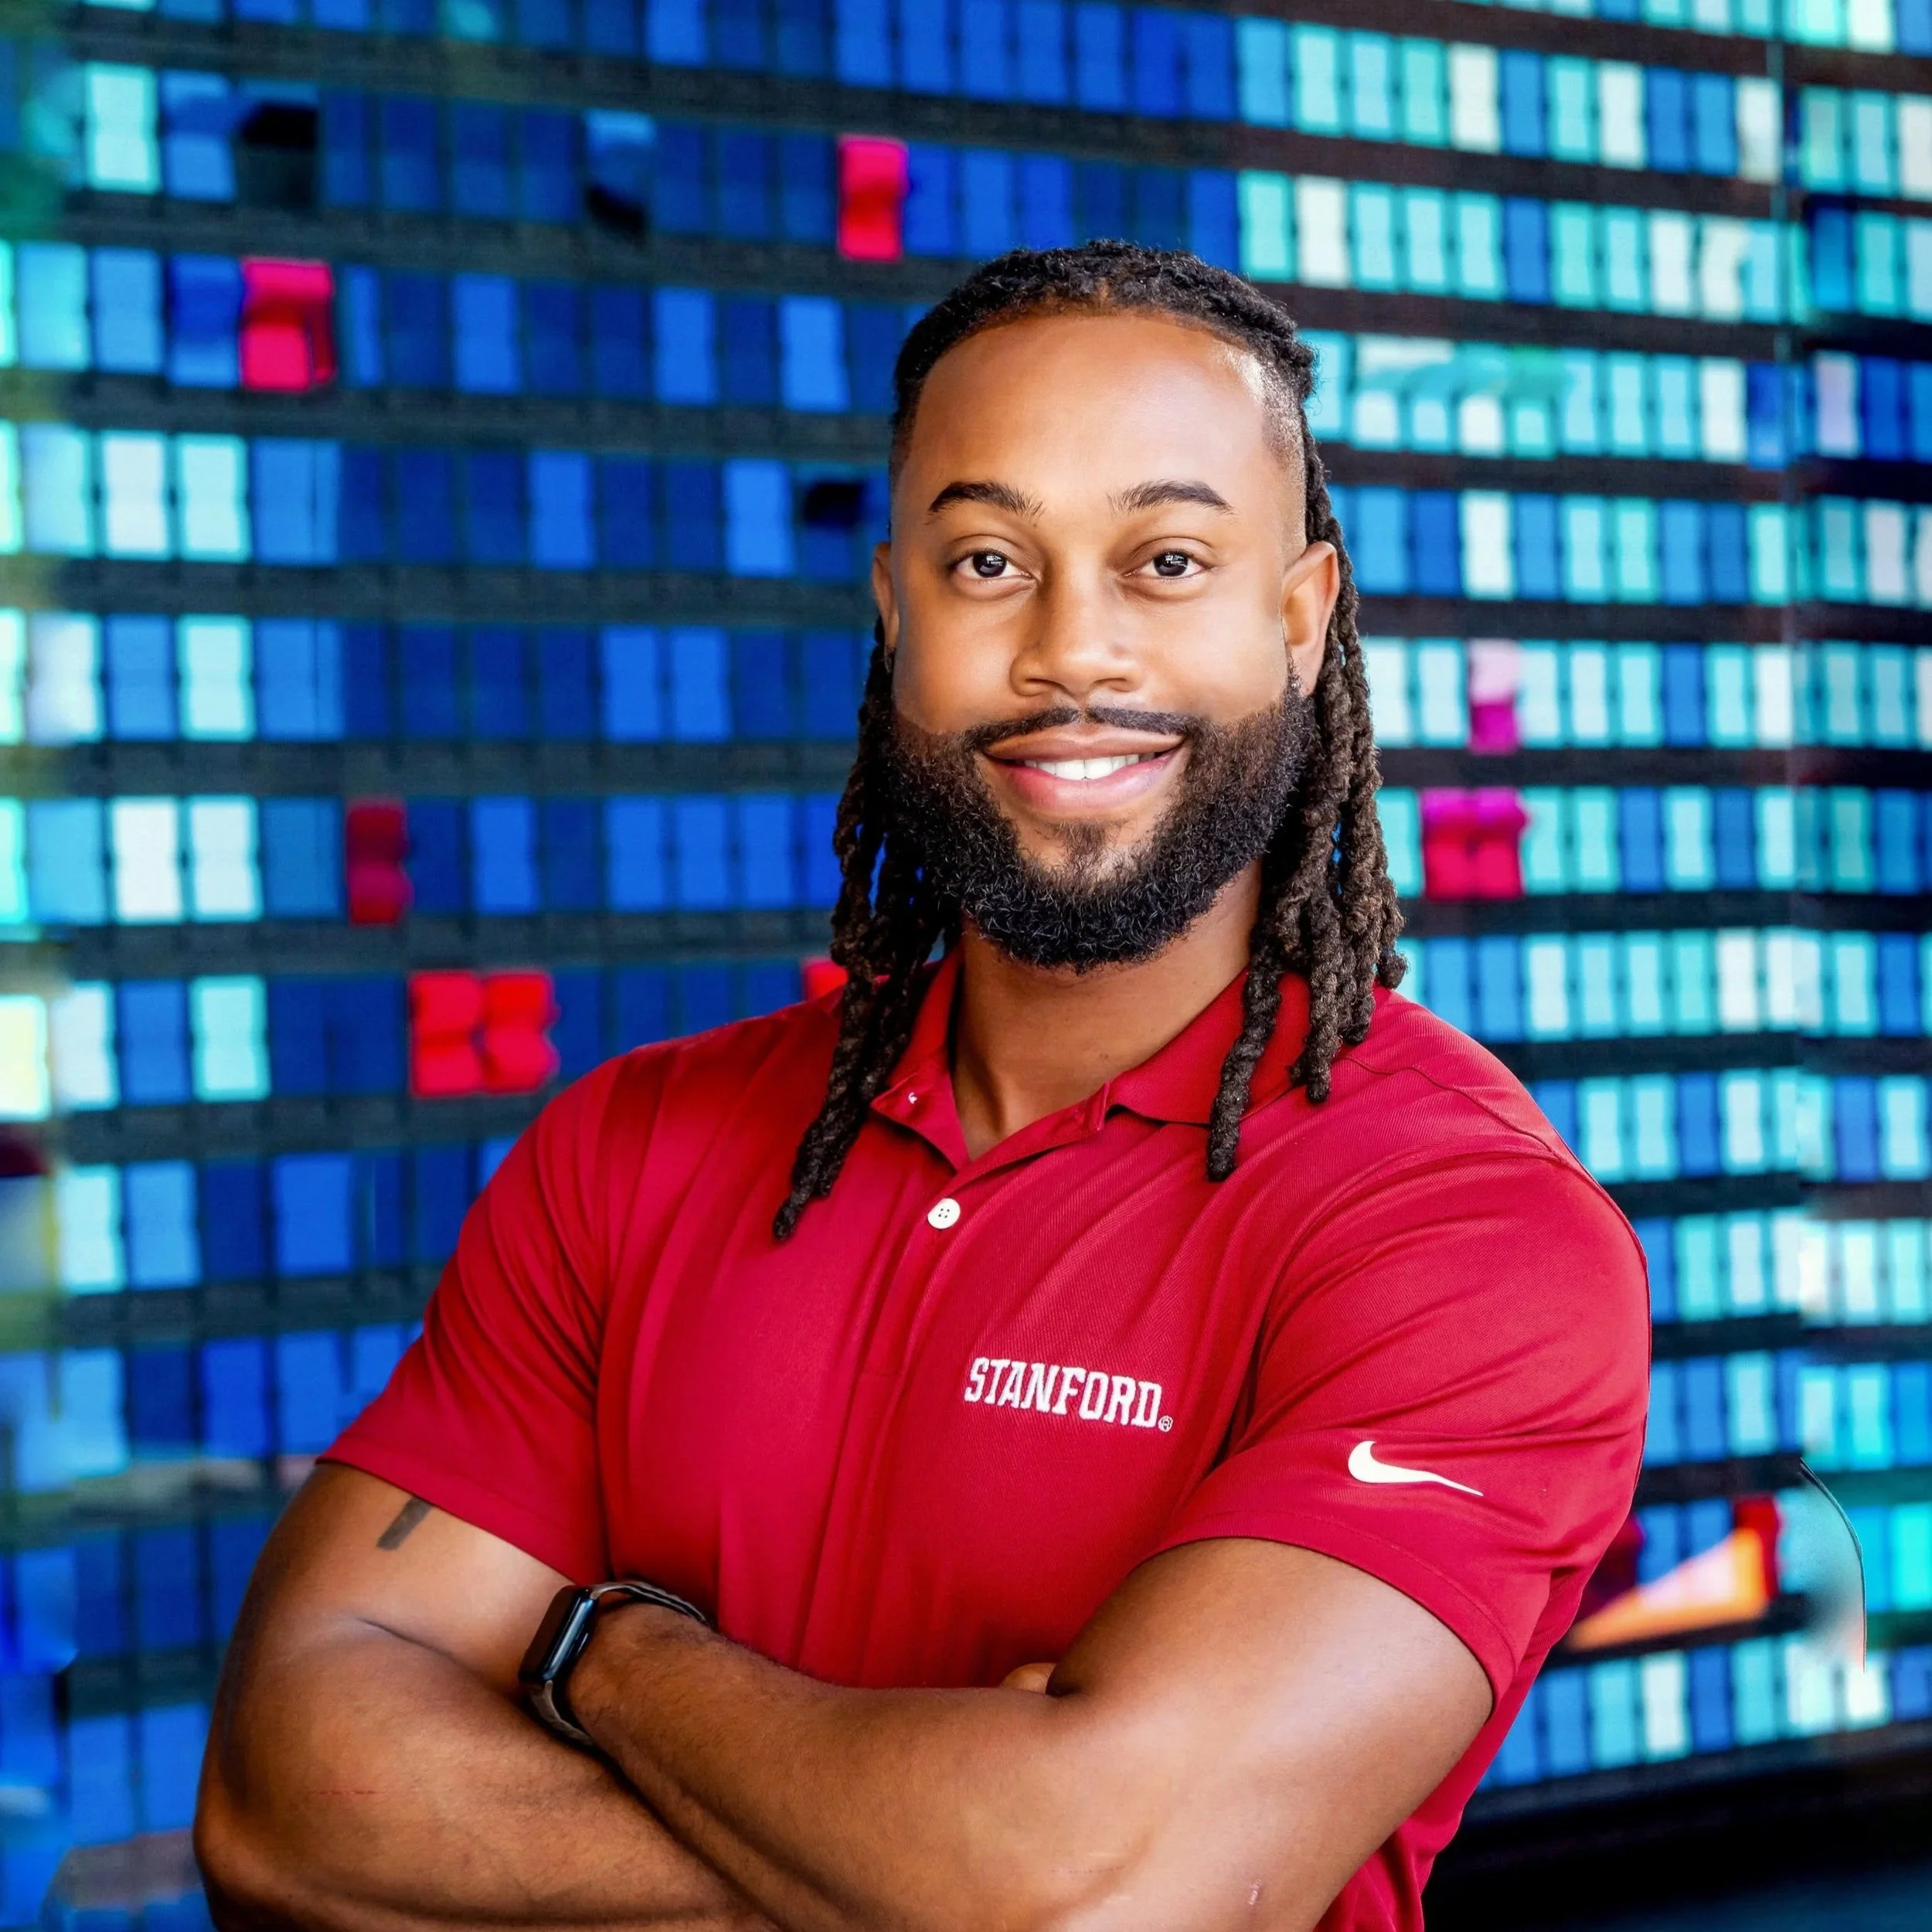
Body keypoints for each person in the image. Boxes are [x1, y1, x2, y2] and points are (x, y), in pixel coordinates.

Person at [195, 243, 1648, 1932]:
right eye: (986, 558)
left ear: (1299, 615)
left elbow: (1081, 1898)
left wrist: (602, 1652)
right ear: (894, 611)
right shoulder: (628, 1148)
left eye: (1165, 557)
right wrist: (926, 1848)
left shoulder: (1466, 1239)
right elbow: (287, 1805)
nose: (1069, 648)